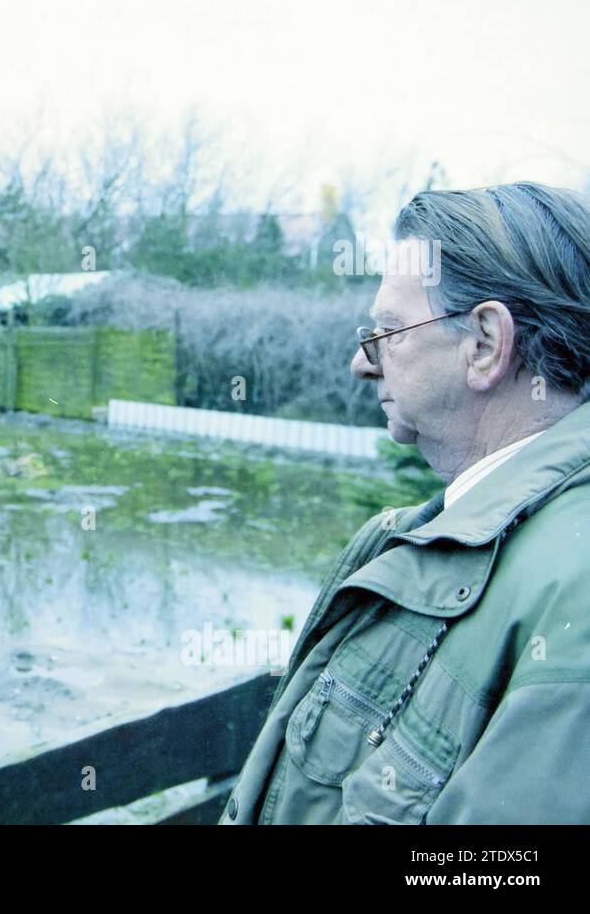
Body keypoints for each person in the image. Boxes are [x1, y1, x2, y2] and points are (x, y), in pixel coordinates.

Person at [221, 181, 590, 824]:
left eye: (389, 333)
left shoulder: (574, 594)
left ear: (484, 345)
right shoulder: (480, 532)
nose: (362, 364)